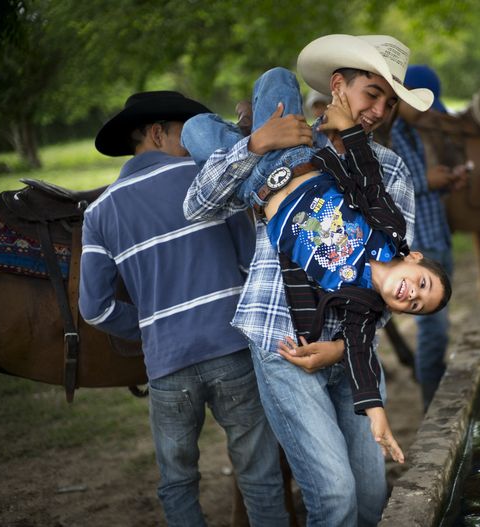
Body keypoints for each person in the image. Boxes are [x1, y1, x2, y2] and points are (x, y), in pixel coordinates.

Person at [182, 34, 433, 526]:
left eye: (390, 103)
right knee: (334, 497)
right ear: (339, 85)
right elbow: (196, 207)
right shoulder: (283, 142)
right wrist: (255, 144)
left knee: (370, 499)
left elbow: (397, 277)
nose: (380, 110)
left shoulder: (391, 169)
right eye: (373, 93)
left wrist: (342, 349)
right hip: (283, 341)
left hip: (353, 349)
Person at [78, 91, 291, 526]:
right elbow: (252, 264)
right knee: (261, 475)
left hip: (166, 366)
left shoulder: (100, 212)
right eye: (185, 134)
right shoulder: (210, 180)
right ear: (157, 133)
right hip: (231, 350)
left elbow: (94, 309)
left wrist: (151, 329)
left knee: (177, 482)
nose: (194, 145)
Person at [388, 64, 468, 411]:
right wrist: (429, 181)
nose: (425, 112)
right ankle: (431, 406)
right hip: (421, 243)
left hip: (437, 234)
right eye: (419, 102)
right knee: (432, 332)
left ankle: (433, 398)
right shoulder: (389, 136)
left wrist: (445, 182)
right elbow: (391, 190)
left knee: (439, 329)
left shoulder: (415, 132)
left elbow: (420, 183)